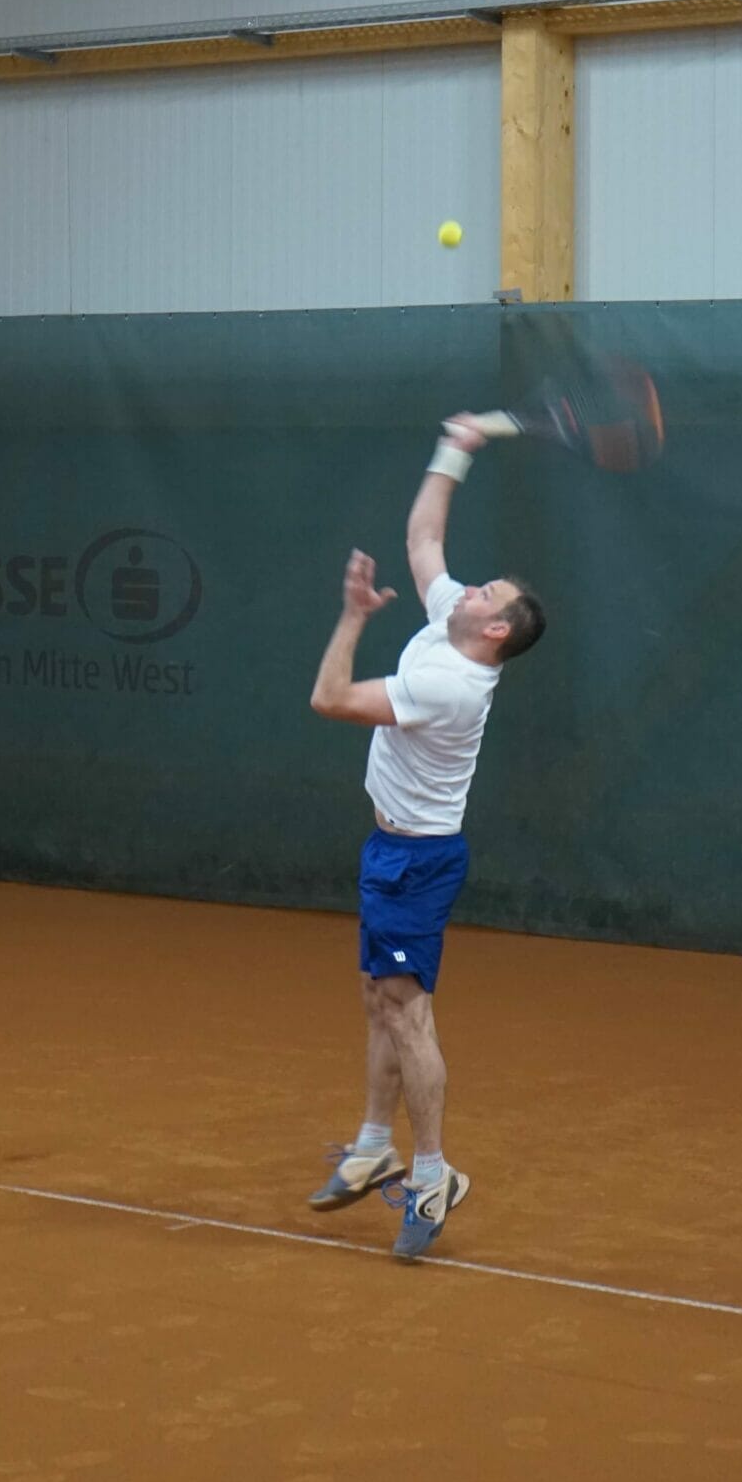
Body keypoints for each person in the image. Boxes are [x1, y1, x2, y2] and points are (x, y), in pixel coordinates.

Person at [307, 412, 545, 1260]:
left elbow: (330, 700)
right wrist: (457, 448)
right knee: (379, 999)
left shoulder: (449, 682)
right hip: (390, 851)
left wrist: (351, 617)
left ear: (494, 632)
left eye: (486, 595)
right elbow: (422, 537)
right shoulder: (453, 623)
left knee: (407, 1016)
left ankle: (435, 1172)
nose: (468, 587)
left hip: (417, 862)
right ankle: (375, 1146)